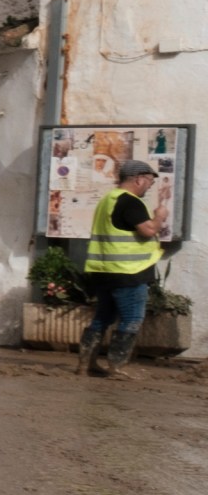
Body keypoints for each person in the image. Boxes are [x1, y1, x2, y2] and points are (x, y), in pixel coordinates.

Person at [77, 158, 167, 379]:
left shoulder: (108, 199)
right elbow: (148, 230)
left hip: (103, 271)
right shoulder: (130, 202)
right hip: (128, 272)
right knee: (132, 318)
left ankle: (86, 364)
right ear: (138, 179)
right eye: (149, 181)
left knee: (103, 317)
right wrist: (160, 217)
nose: (149, 185)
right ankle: (117, 366)